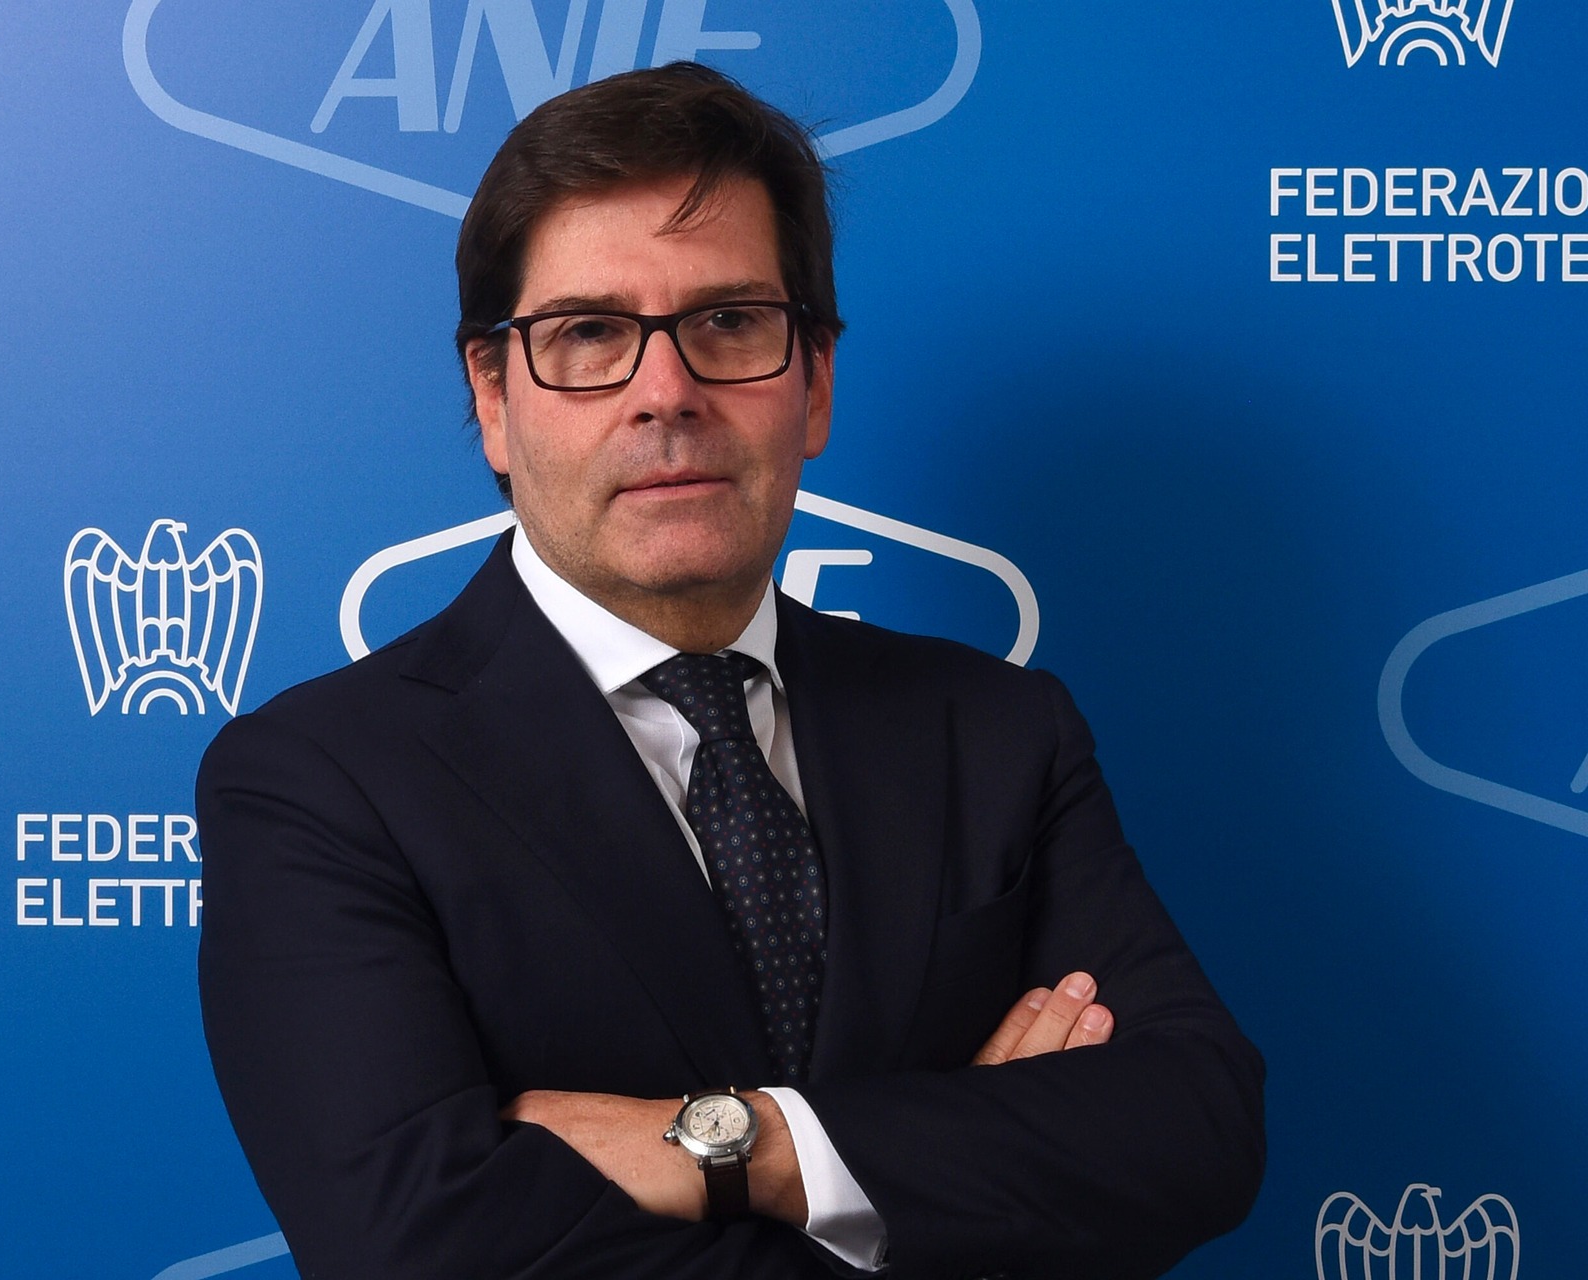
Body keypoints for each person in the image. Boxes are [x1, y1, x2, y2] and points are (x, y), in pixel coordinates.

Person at [196, 61, 1264, 1279]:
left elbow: (1198, 1125)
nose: (668, 392)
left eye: (729, 323)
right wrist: (970, 1172)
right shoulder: (321, 780)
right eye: (589, 333)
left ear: (814, 382)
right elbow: (421, 1251)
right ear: (493, 397)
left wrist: (751, 1142)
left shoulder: (998, 729)